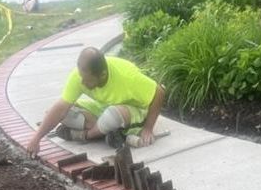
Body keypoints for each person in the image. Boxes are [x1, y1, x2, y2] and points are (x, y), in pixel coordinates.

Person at [27, 47, 165, 156]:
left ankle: (86, 135)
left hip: (134, 110)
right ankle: (108, 131)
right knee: (58, 113)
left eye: (86, 79)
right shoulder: (80, 75)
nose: (82, 82)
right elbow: (61, 107)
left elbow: (159, 92)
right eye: (81, 76)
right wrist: (37, 138)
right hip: (103, 108)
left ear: (102, 75)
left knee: (112, 116)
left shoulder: (128, 77)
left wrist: (148, 128)